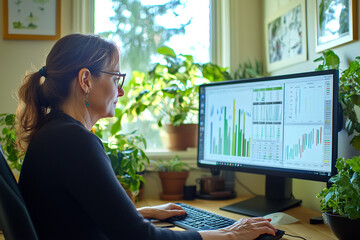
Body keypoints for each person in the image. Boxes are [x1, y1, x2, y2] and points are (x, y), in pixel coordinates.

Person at [16, 33, 277, 240]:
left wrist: (138, 213)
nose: (120, 91)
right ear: (86, 80)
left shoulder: (55, 133)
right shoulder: (73, 141)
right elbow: (139, 237)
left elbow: (70, 219)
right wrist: (228, 233)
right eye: (116, 77)